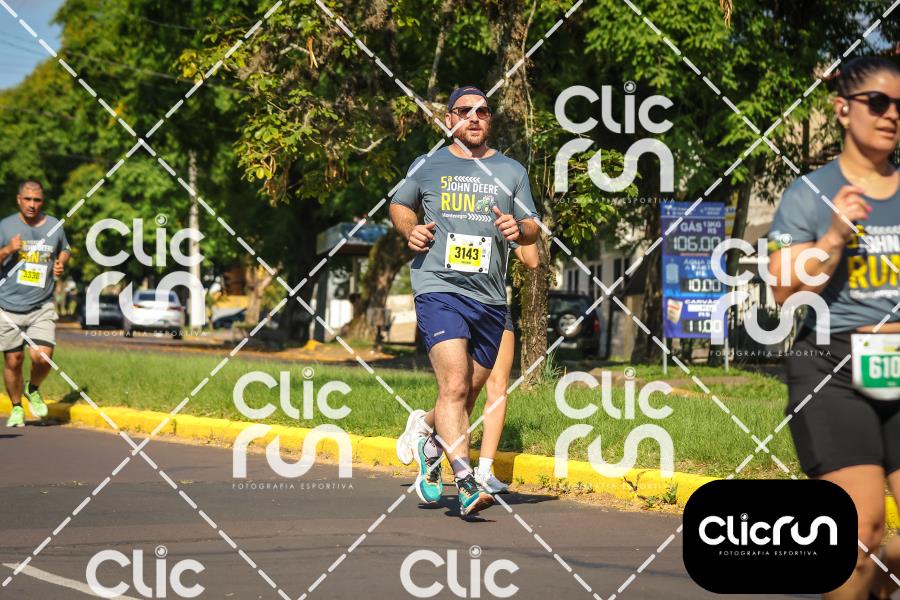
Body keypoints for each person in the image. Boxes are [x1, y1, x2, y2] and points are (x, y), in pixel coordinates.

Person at [768, 56, 899, 599]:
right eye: (878, 102)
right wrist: (834, 238)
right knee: (861, 528)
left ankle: (874, 579)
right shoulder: (810, 193)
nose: (891, 114)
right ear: (843, 109)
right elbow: (782, 288)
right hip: (831, 369)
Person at [389, 86, 540, 517]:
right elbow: (399, 205)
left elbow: (533, 228)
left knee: (467, 392)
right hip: (438, 286)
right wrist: (411, 229)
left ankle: (428, 438)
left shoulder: (511, 171)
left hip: (489, 297)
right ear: (449, 119)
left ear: (489, 120)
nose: (474, 117)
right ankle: (466, 481)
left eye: (482, 111)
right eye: (464, 111)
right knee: (454, 383)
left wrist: (519, 229)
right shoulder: (428, 163)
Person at [397, 243, 539, 495]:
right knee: (459, 390)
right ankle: (426, 432)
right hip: (448, 296)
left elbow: (531, 258)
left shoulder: (503, 215)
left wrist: (527, 229)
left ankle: (482, 470)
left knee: (495, 386)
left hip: (490, 303)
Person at [2, 181, 71, 427]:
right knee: (13, 360)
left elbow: (65, 250)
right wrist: (8, 249)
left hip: (41, 305)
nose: (32, 204)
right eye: (28, 199)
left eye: (37, 200)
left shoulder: (54, 226)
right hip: (7, 305)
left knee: (43, 357)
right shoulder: (5, 226)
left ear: (43, 202)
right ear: (19, 199)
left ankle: (32, 388)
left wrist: (60, 263)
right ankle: (16, 407)